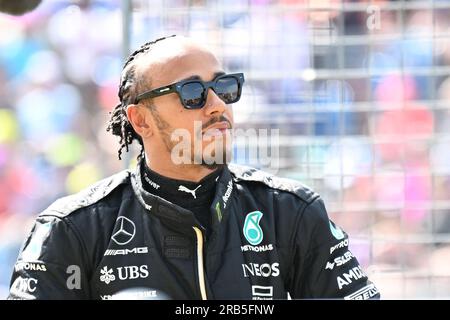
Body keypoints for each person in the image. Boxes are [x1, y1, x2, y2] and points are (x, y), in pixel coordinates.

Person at [8, 35, 379, 300]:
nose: (217, 104)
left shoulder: (291, 211)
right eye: (192, 93)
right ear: (141, 120)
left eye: (225, 87)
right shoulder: (72, 228)